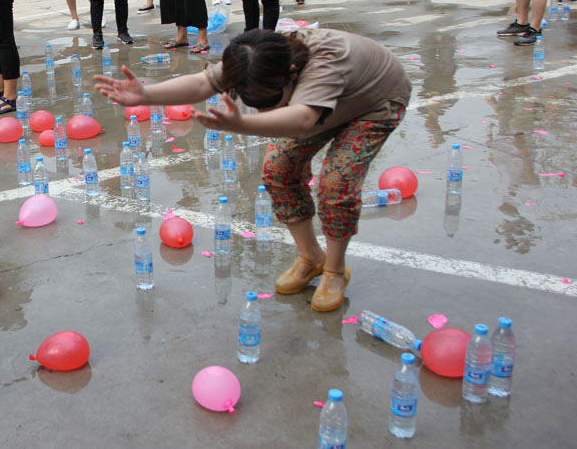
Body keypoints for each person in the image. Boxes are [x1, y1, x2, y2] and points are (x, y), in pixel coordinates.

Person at [95, 27, 410, 311]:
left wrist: (242, 124)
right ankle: (311, 257)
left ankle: (335, 271)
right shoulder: (252, 58)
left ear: (291, 74)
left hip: (373, 104)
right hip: (314, 107)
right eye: (252, 102)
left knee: (336, 183)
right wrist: (146, 94)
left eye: (268, 101)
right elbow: (202, 82)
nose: (262, 110)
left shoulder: (325, 63)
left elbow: (302, 119)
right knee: (278, 169)